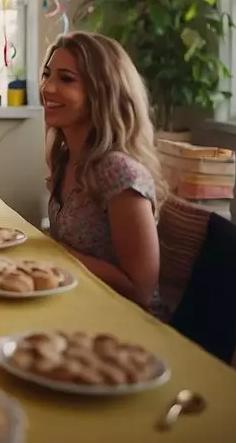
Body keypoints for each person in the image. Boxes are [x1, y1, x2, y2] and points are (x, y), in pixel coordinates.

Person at [41, 31, 168, 313]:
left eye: (66, 79)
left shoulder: (118, 172)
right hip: (77, 304)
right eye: (47, 75)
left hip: (124, 324)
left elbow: (141, 290)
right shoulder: (66, 158)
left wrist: (56, 254)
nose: (47, 88)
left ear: (102, 92)